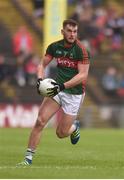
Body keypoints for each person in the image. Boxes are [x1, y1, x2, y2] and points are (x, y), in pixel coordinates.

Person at [18, 19, 91, 166]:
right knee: (39, 121)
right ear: (62, 32)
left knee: (61, 133)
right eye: (69, 31)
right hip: (56, 88)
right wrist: (40, 80)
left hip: (74, 93)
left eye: (75, 31)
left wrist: (62, 86)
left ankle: (74, 128)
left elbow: (83, 75)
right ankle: (27, 159)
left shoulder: (81, 50)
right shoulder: (54, 47)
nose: (72, 34)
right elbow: (41, 65)